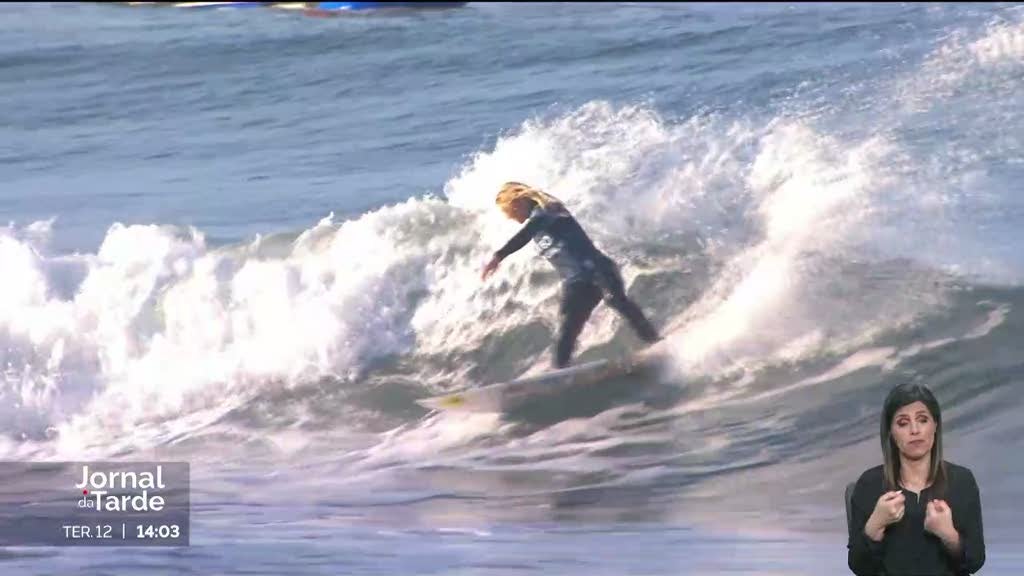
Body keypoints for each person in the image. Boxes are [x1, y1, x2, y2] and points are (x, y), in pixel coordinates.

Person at [481, 182, 662, 369]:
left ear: (517, 203)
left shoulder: (550, 211)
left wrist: (498, 256)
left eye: (508, 211)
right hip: (576, 283)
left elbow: (528, 232)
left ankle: (656, 342)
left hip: (598, 270)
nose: (510, 217)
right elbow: (533, 232)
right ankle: (559, 373)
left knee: (615, 299)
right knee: (566, 329)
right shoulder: (538, 226)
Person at [847, 382, 985, 576]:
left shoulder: (962, 481)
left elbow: (975, 562)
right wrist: (875, 525)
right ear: (891, 432)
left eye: (922, 420)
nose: (915, 430)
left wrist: (948, 535)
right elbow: (859, 567)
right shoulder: (869, 484)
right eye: (903, 423)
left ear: (935, 425)